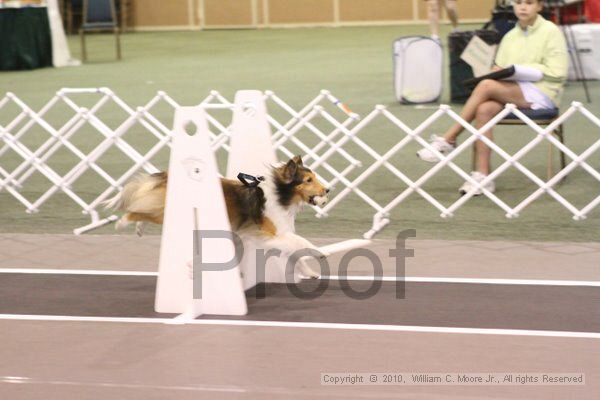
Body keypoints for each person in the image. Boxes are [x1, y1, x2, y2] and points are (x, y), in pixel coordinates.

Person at [416, 0, 568, 195]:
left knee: (486, 85)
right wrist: (502, 71)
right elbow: (500, 69)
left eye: (529, 3)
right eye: (518, 2)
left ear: (539, 7)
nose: (522, 7)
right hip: (513, 91)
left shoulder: (551, 31)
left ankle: (449, 138)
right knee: (483, 109)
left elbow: (558, 71)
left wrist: (525, 70)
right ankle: (482, 176)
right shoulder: (510, 36)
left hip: (544, 92)